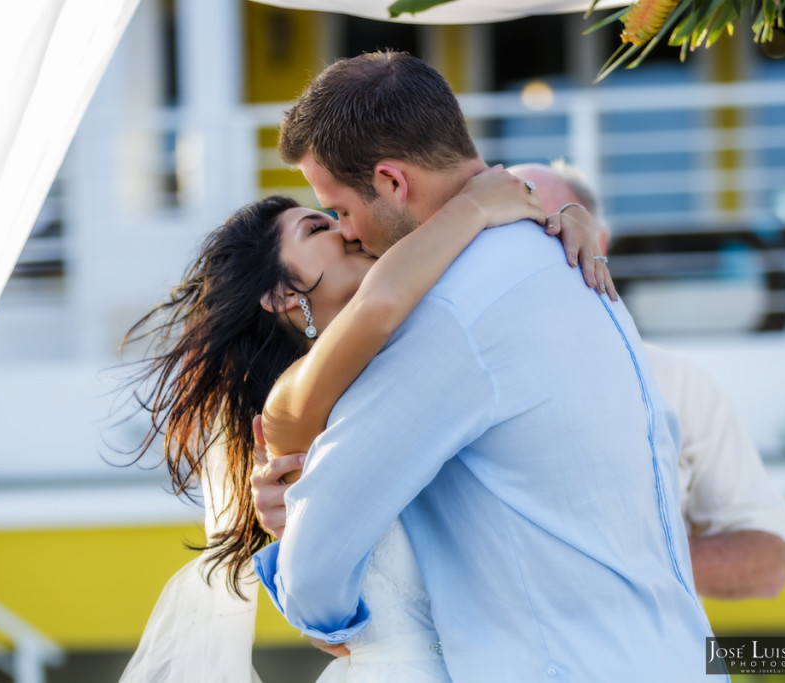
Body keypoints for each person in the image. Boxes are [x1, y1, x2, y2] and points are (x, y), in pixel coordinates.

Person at [252, 51, 723, 682]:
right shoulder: (568, 260)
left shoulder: (447, 314)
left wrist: (325, 604)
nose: (349, 231)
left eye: (339, 209)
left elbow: (315, 568)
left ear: (392, 181)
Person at [118, 168, 611, 682]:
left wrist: (565, 221)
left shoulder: (416, 350)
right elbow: (333, 627)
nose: (346, 230)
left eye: (337, 218)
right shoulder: (290, 406)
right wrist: (473, 208)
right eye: (316, 229)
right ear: (282, 295)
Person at [504, 162, 785, 600]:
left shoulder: (678, 381)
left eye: (552, 231)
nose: (527, 257)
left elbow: (768, 558)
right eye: (505, 239)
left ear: (597, 243)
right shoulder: (460, 380)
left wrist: (625, 561)